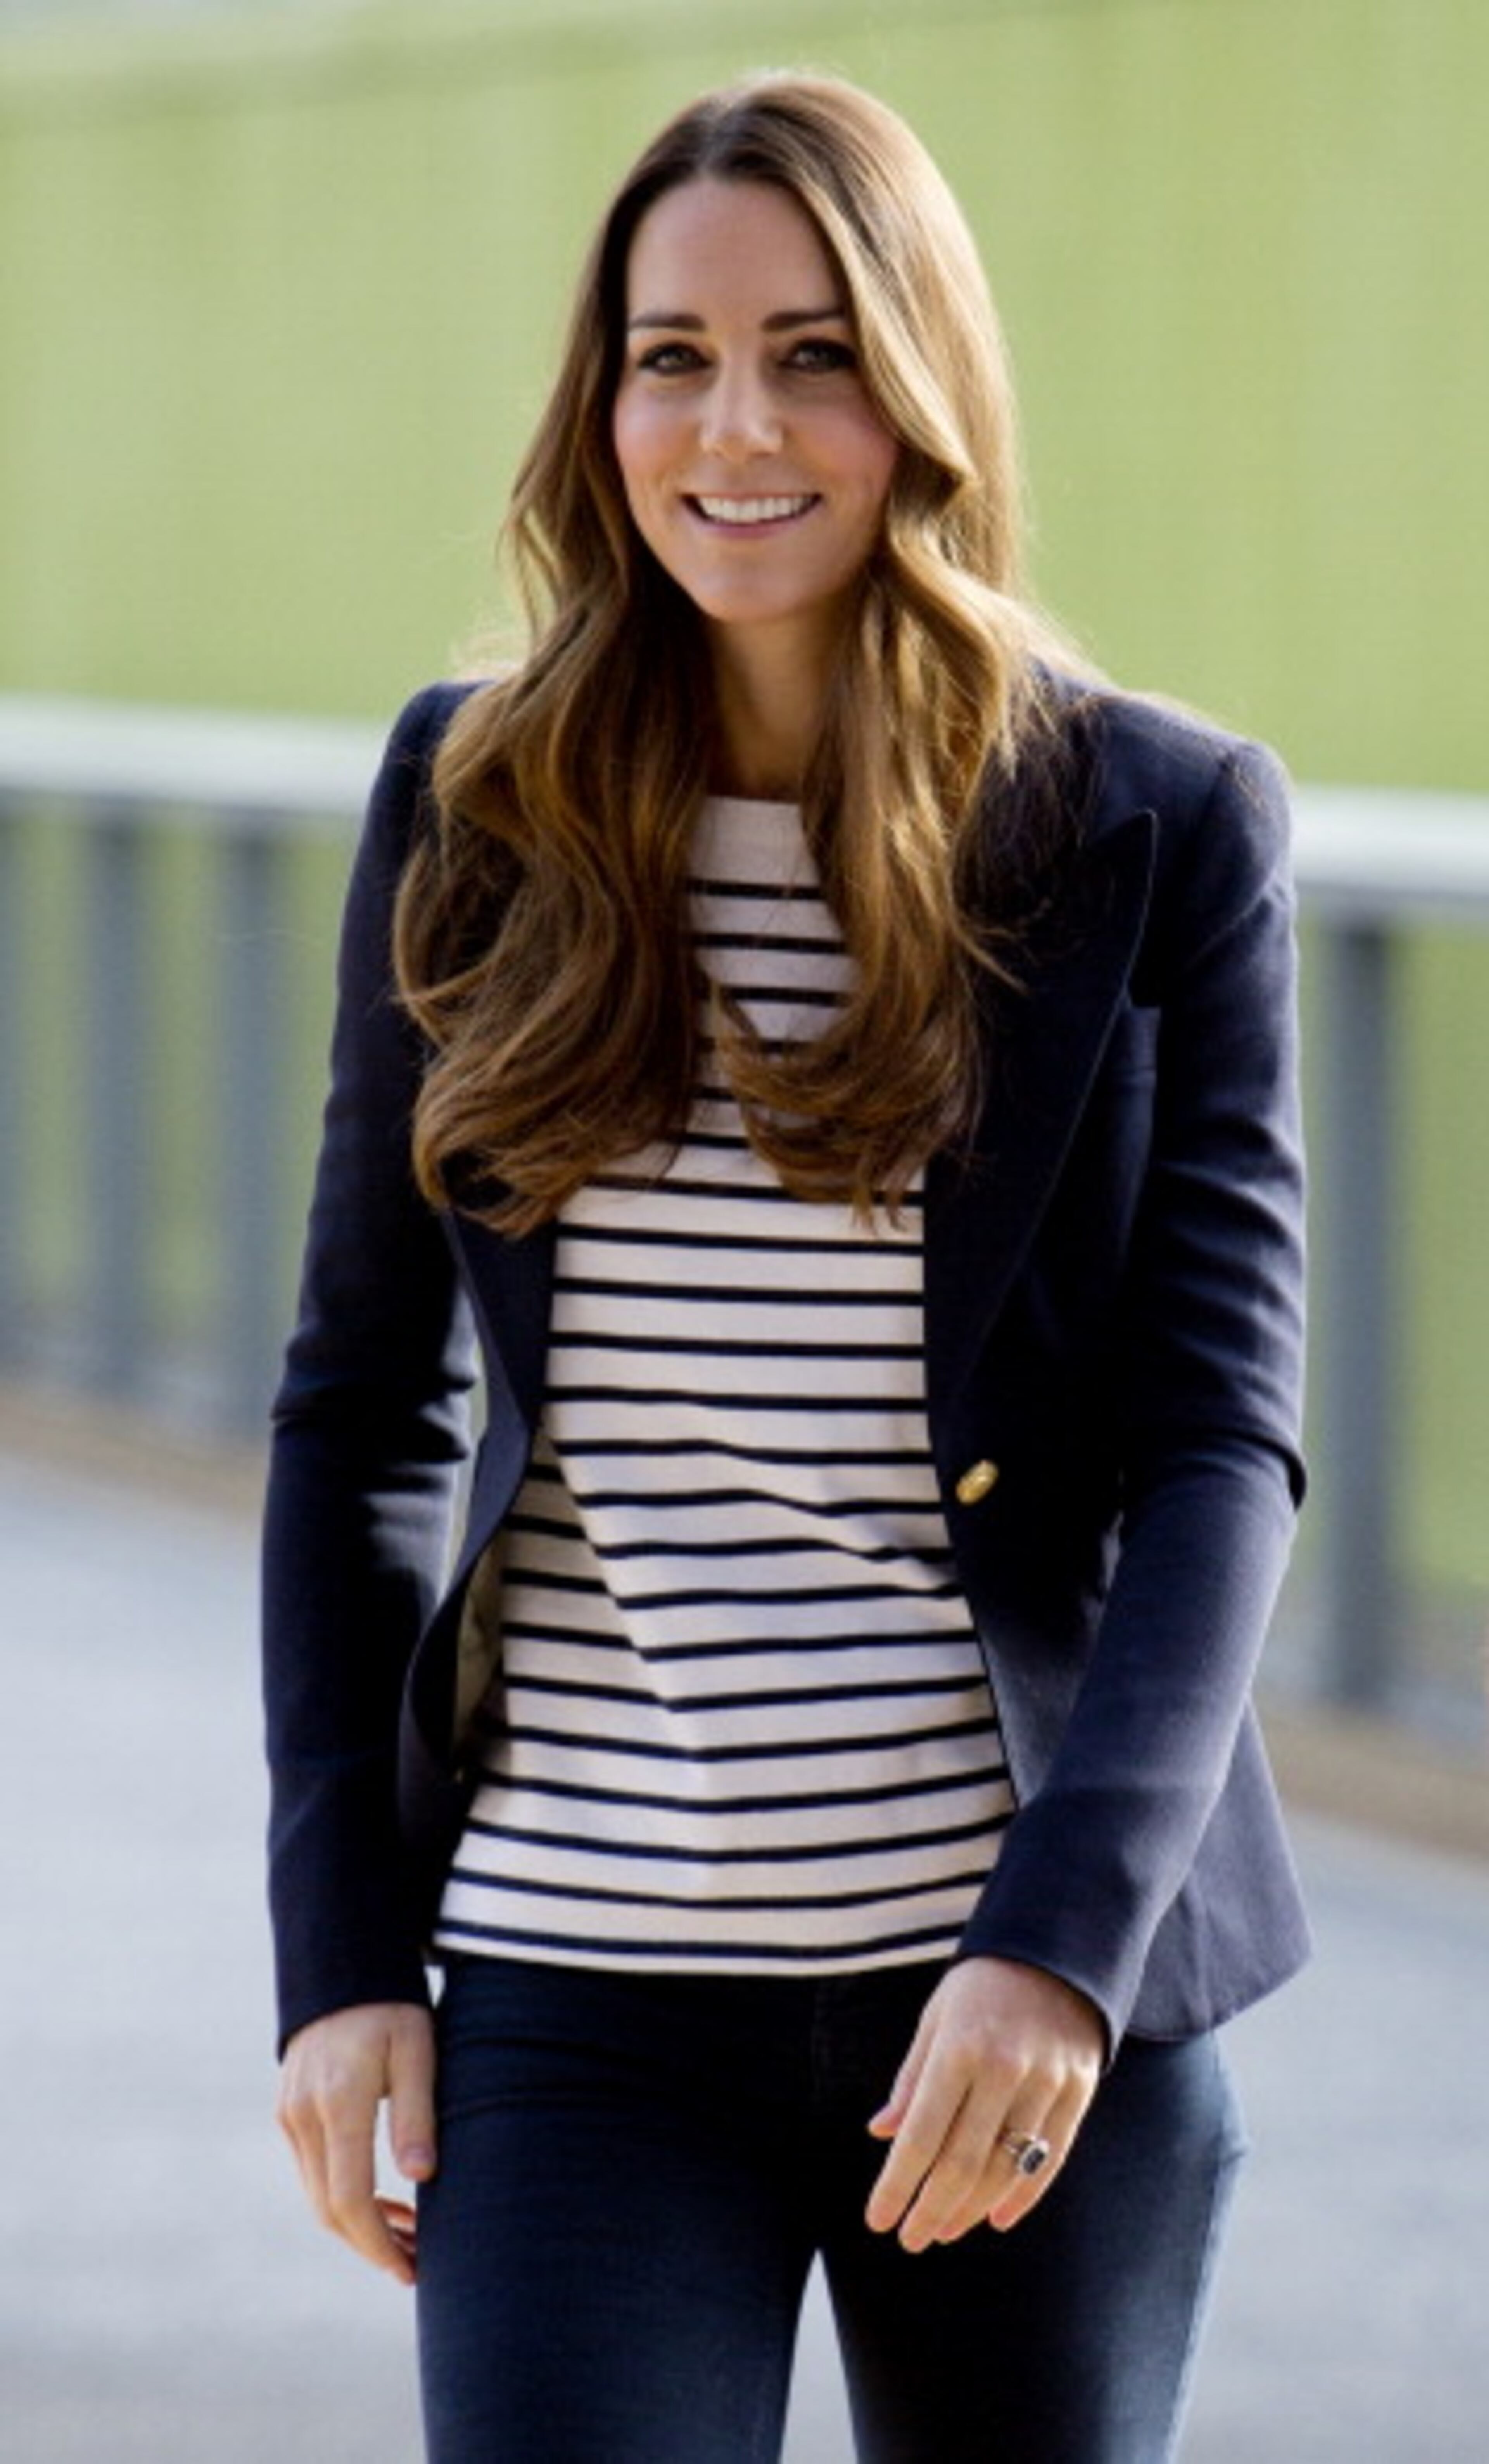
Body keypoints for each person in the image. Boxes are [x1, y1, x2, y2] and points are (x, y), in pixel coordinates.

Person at [264, 70, 1308, 2464]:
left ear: (922, 392)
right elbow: (361, 1406)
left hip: (1015, 1996)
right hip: (580, 1981)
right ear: (600, 399)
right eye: (673, 354)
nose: (737, 421)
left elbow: (1217, 1438)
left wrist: (1069, 1939)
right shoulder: (474, 803)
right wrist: (339, 1957)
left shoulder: (1150, 825)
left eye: (818, 350)